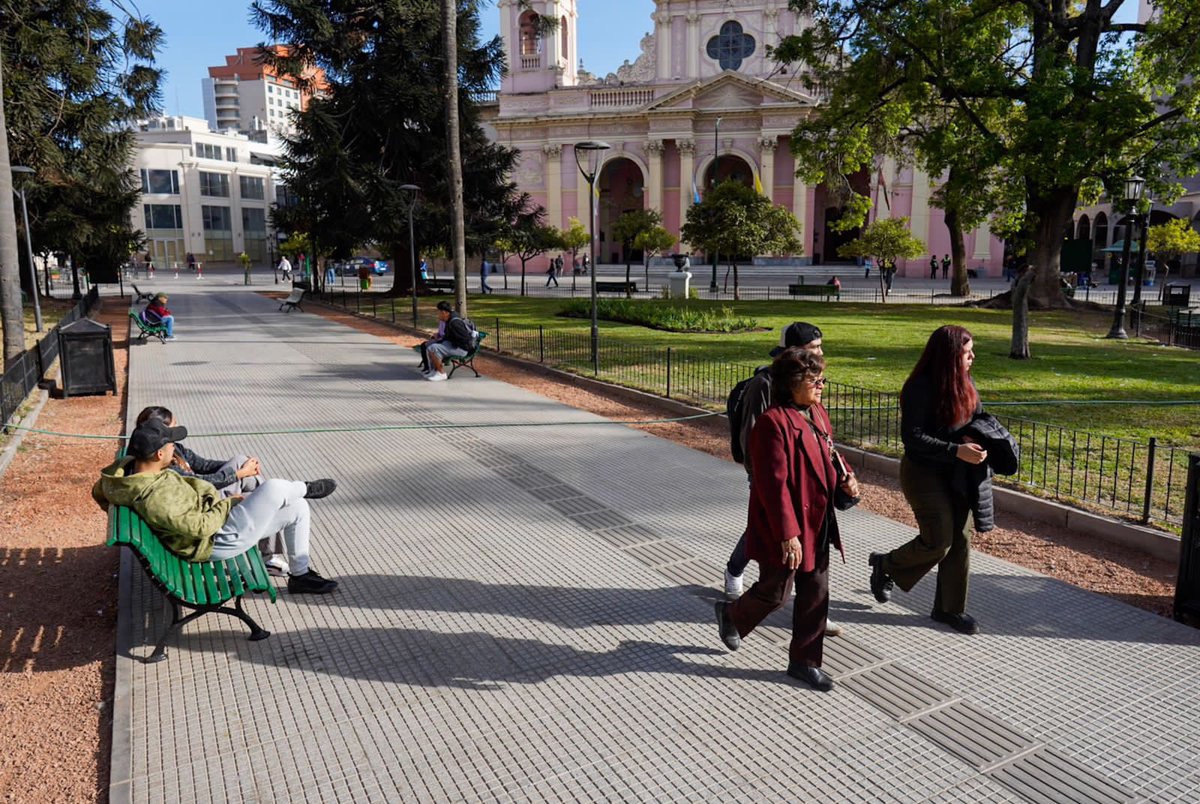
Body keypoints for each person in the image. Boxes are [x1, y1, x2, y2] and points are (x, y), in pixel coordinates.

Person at [714, 348, 858, 691]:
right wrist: (788, 534)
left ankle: (804, 662)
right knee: (776, 591)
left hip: (818, 518)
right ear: (793, 383)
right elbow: (771, 485)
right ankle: (731, 615)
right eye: (815, 379)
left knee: (816, 592)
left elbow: (829, 452)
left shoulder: (816, 412)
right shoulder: (772, 424)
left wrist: (846, 476)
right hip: (788, 523)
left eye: (822, 378)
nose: (822, 385)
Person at [92, 418, 340, 594]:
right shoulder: (156, 494)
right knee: (273, 488)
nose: (173, 450)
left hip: (211, 526)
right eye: (170, 446)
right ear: (158, 454)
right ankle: (306, 488)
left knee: (297, 508)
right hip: (214, 541)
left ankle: (300, 576)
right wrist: (229, 503)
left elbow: (100, 491)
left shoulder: (132, 470)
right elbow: (199, 527)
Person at [722, 322, 843, 638]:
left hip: (807, 492)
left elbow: (823, 442)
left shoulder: (811, 396)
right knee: (768, 543)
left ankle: (812, 624)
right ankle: (735, 577)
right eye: (815, 347)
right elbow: (754, 435)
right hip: (770, 477)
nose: (820, 352)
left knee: (808, 570)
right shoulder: (766, 385)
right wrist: (757, 478)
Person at [867, 325, 989, 635]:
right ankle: (887, 565)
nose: (973, 357)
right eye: (966, 353)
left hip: (959, 474)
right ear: (949, 357)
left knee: (961, 540)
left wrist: (987, 443)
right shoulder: (919, 387)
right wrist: (956, 450)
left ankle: (949, 610)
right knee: (940, 540)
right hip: (923, 473)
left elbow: (978, 419)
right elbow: (913, 438)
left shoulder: (966, 382)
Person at [135, 406, 288, 576]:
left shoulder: (173, 449)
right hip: (207, 505)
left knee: (243, 465)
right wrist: (238, 474)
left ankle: (269, 551)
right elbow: (199, 483)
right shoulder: (164, 467)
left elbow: (204, 465)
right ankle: (269, 554)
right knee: (263, 497)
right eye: (173, 427)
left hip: (205, 497)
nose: (176, 431)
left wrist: (241, 468)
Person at [422, 301, 475, 382]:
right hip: (454, 345)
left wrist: (450, 342)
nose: (438, 315)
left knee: (434, 348)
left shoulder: (455, 323)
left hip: (461, 349)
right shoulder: (449, 320)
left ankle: (441, 373)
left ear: (444, 313)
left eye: (438, 313)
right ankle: (434, 371)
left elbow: (465, 339)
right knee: (430, 346)